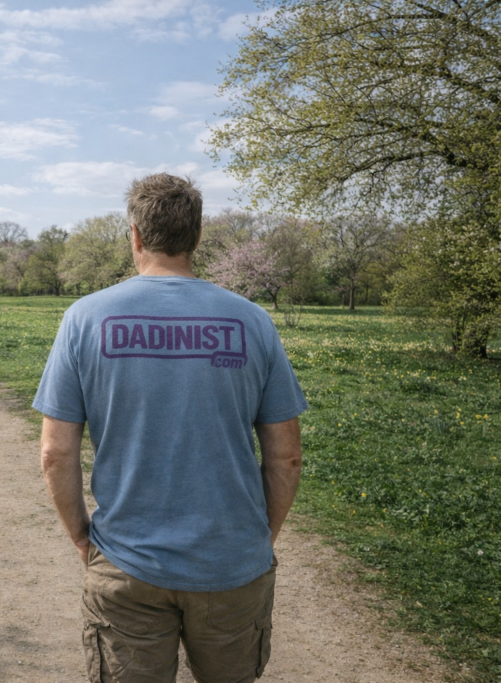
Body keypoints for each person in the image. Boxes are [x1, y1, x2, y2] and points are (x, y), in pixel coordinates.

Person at [33, 173, 307, 683]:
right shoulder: (252, 321)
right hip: (233, 566)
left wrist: (80, 539)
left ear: (134, 235)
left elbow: (55, 453)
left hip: (127, 565)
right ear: (198, 238)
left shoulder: (84, 318)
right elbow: (286, 456)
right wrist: (257, 539)